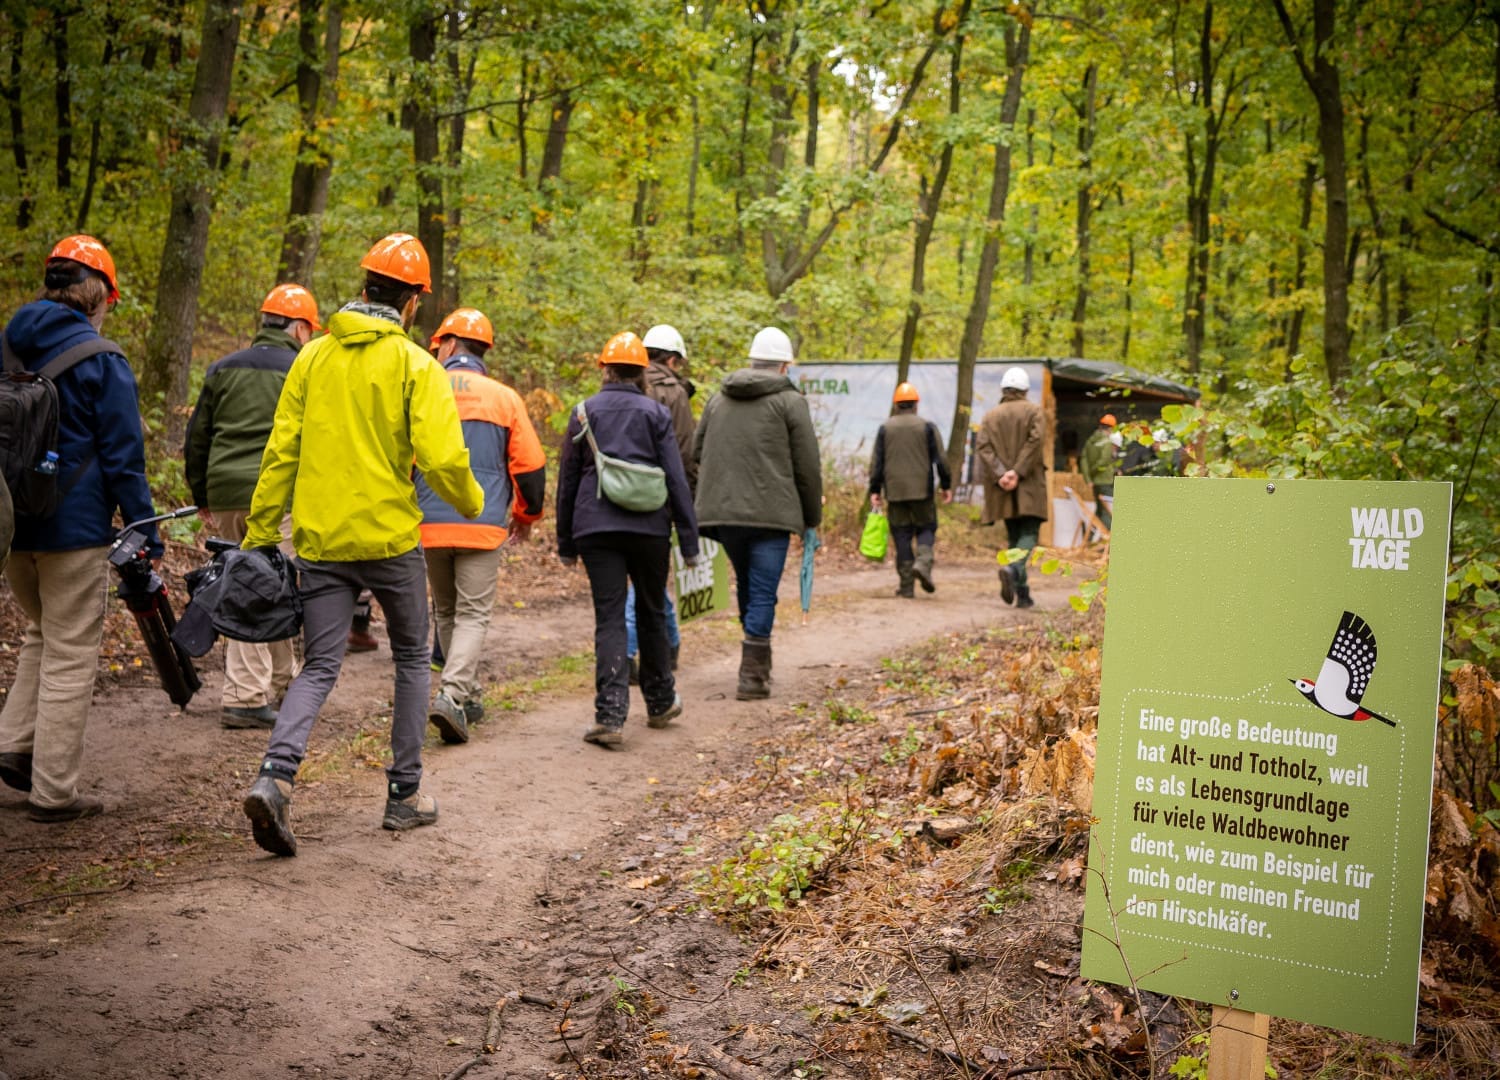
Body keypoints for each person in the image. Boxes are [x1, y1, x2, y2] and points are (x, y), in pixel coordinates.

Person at [238, 233, 484, 856]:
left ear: (364, 287)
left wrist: (262, 531)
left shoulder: (313, 357)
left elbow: (281, 453)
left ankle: (275, 777)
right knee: (408, 659)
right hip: (392, 540)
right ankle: (404, 795)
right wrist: (472, 504)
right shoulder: (415, 365)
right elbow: (442, 456)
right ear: (411, 304)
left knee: (320, 664)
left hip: (321, 541)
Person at [0, 235, 159, 821]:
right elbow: (124, 458)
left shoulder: (6, 346)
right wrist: (145, 531)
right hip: (75, 532)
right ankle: (54, 794)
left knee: (42, 637)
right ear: (101, 297)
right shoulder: (103, 359)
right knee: (70, 653)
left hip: (12, 527)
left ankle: (12, 746)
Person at [184, 284, 319, 729]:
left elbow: (198, 436)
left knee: (266, 586)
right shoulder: (303, 368)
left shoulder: (223, 368)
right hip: (278, 494)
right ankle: (244, 696)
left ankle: (282, 680)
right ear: (300, 328)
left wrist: (202, 494)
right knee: (260, 587)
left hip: (224, 491)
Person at [556, 332, 699, 748]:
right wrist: (688, 539)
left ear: (604, 368)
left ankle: (610, 715)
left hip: (595, 530)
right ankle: (659, 702)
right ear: (642, 374)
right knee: (653, 611)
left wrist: (565, 541)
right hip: (650, 528)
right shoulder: (655, 414)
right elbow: (676, 476)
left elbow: (567, 481)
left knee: (611, 617)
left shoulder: (584, 413)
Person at [417, 307, 546, 744]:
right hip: (483, 524)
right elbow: (529, 467)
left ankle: (467, 697)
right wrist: (526, 517)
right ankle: (453, 695)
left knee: (449, 610)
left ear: (450, 345)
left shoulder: (422, 389)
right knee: (472, 613)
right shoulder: (503, 398)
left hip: (429, 523)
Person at [693, 326, 822, 699]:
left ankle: (757, 662)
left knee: (749, 585)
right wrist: (811, 517)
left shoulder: (718, 399)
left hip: (723, 515)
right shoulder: (791, 402)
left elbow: (698, 453)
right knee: (763, 591)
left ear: (751, 361)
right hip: (771, 515)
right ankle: (751, 674)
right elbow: (807, 467)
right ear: (785, 366)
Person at [625, 323, 696, 682]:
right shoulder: (674, 393)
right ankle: (633, 651)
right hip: (660, 499)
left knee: (645, 582)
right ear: (671, 359)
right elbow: (684, 453)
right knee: (647, 582)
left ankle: (668, 643)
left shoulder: (625, 385)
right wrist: (687, 504)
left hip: (619, 494)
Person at [868, 381, 952, 597]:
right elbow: (941, 460)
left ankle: (906, 587)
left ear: (896, 405)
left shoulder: (885, 428)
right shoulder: (927, 427)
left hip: (895, 492)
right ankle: (923, 564)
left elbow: (877, 462)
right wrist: (946, 485)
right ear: (916, 404)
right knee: (926, 527)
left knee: (902, 534)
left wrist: (875, 490)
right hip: (922, 491)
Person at [976, 365, 1046, 610]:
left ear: (1004, 389)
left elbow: (983, 447)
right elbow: (1036, 440)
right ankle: (1015, 572)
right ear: (1025, 389)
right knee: (1028, 534)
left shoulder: (990, 416)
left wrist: (1001, 474)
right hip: (1029, 485)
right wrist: (1017, 471)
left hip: (1002, 488)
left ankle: (1022, 593)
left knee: (1014, 537)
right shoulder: (1035, 411)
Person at [1079, 412, 1118, 532]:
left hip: (1095, 482)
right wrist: (1094, 471)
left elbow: (1083, 459)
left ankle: (1092, 538)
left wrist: (1089, 478)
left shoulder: (1090, 441)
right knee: (1107, 512)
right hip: (1105, 481)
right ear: (1111, 428)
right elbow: (1104, 461)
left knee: (1099, 510)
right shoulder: (1106, 442)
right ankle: (1105, 542)